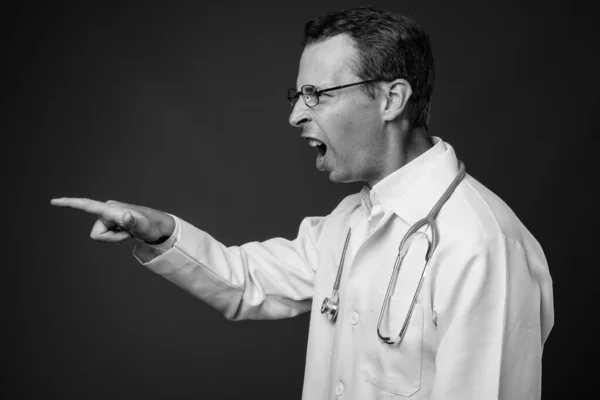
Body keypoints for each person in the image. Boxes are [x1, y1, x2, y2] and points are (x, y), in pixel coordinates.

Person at [51, 6, 554, 400]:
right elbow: (247, 281)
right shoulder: (348, 221)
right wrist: (157, 230)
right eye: (297, 93)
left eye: (316, 93)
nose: (295, 115)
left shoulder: (483, 245)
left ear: (391, 99)